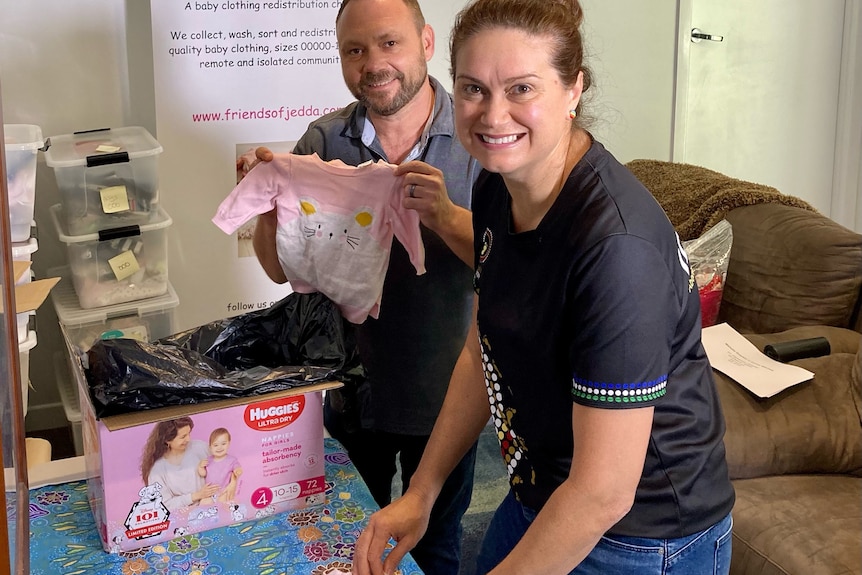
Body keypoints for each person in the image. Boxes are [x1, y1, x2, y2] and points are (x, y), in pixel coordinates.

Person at [352, 0, 736, 574]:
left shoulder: (614, 251)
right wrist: (422, 492)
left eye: (522, 89)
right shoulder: (494, 188)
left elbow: (604, 494)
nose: (493, 115)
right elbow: (483, 346)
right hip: (542, 491)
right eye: (474, 89)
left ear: (573, 89)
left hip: (640, 534)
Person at [247, 0, 481, 573]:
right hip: (352, 388)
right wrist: (269, 208)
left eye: (389, 43)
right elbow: (279, 270)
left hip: (449, 390)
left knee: (437, 546)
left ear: (426, 41)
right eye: (355, 50)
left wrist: (446, 216)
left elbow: (521, 265)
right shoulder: (323, 143)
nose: (373, 63)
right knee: (351, 540)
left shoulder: (481, 137)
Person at [140, 416, 220, 511]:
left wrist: (232, 484)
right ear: (167, 440)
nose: (188, 439)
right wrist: (196, 496)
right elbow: (164, 505)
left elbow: (224, 466)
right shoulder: (157, 470)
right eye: (183, 437)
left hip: (214, 505)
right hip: (184, 517)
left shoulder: (200, 447)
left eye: (189, 433)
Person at [199, 427, 243, 504]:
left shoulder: (231, 460)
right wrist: (200, 467)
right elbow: (203, 474)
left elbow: (237, 468)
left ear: (229, 444)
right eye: (215, 445)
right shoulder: (208, 460)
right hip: (210, 494)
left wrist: (238, 471)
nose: (219, 447)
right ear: (210, 447)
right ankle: (211, 514)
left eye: (223, 444)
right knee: (203, 502)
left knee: (223, 502)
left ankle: (220, 512)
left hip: (224, 491)